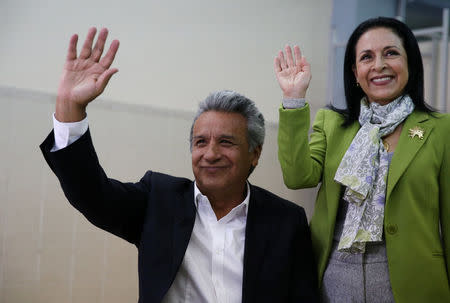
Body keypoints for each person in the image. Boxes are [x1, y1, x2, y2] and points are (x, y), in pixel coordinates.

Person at [40, 27, 318, 303]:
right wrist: (70, 108)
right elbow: (91, 195)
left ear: (254, 154)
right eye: (200, 142)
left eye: (226, 142)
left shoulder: (286, 221)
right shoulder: (158, 200)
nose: (210, 154)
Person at [274, 17, 449, 303]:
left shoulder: (441, 129)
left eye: (391, 53)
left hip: (413, 284)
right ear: (355, 72)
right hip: (335, 280)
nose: (378, 65)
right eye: (366, 57)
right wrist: (293, 98)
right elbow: (297, 177)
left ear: (411, 63)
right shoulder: (332, 124)